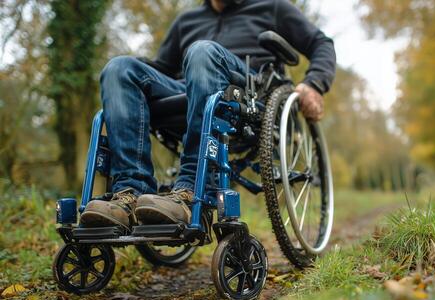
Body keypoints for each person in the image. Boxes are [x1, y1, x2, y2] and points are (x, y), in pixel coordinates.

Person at [80, 0, 336, 229]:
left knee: (202, 52)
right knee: (118, 68)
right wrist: (132, 71)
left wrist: (314, 83)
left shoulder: (273, 7)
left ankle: (191, 189)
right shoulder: (186, 21)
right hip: (188, 91)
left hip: (246, 95)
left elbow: (321, 43)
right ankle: (130, 193)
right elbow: (164, 69)